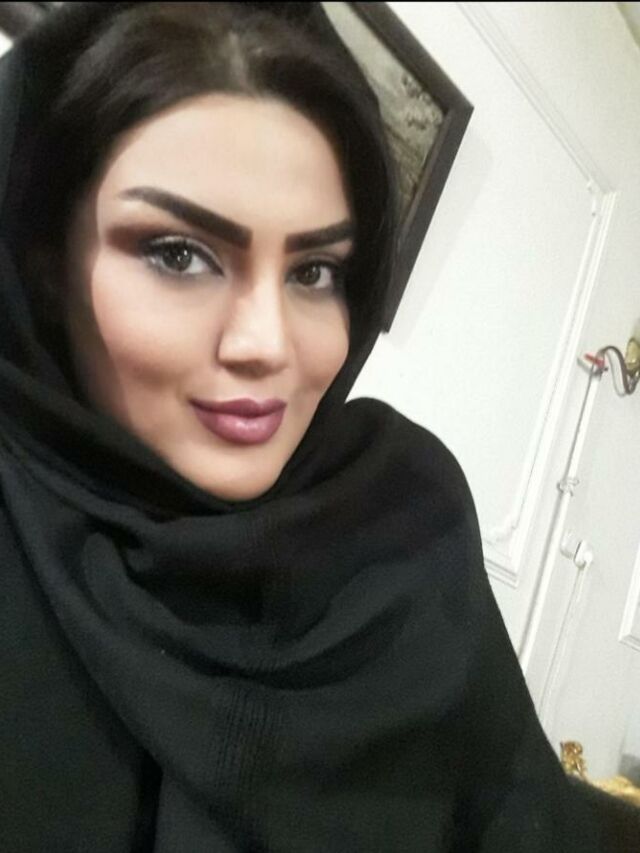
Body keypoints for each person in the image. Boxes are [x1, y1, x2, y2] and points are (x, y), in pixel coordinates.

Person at [0, 3, 607, 851]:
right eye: (178, 253)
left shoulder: (403, 517)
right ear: (45, 264)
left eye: (315, 271)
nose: (267, 344)